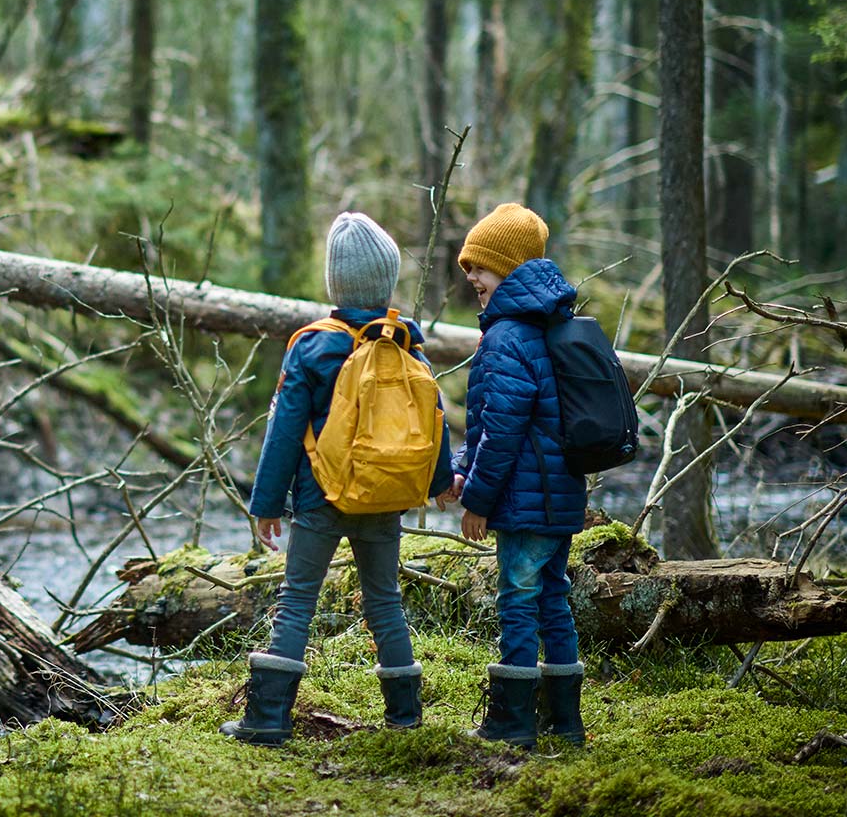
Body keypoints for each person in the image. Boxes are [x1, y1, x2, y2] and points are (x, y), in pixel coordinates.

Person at [222, 212, 456, 746]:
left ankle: (268, 718)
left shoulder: (311, 346)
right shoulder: (407, 346)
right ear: (387, 281)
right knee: (385, 600)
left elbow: (283, 431)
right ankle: (404, 717)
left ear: (334, 283)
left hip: (320, 496)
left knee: (298, 597)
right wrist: (440, 482)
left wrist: (266, 504)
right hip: (384, 498)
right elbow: (433, 420)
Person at [452, 202, 588, 747]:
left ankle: (512, 723)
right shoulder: (548, 324)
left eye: (478, 265)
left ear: (508, 266)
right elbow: (491, 425)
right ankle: (565, 721)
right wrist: (465, 468)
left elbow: (502, 431)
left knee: (517, 599)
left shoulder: (507, 337)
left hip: (525, 504)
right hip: (560, 501)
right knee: (553, 600)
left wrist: (478, 499)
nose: (470, 277)